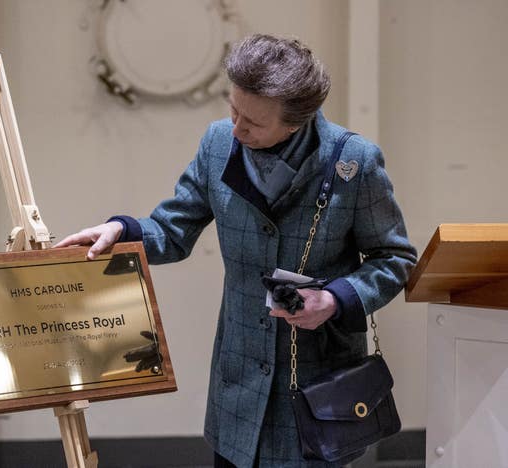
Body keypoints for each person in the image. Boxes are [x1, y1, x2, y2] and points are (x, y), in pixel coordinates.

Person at [55, 34, 417, 468]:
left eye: (254, 123)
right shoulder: (218, 143)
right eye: (233, 110)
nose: (238, 128)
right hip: (237, 384)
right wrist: (121, 230)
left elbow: (394, 259)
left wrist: (335, 299)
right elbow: (172, 230)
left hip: (319, 387)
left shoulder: (353, 162)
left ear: (296, 122)